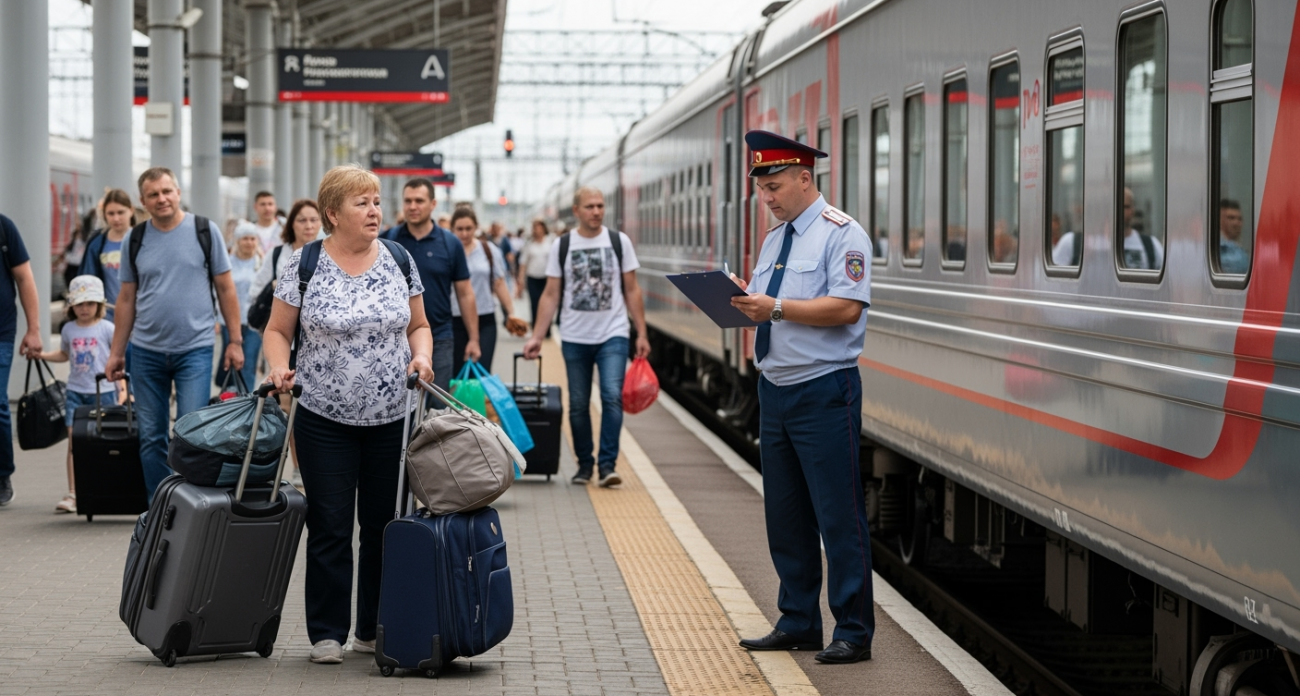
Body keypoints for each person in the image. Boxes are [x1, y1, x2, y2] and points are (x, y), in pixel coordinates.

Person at [262, 165, 433, 665]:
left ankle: (373, 627)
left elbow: (420, 325)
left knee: (383, 524)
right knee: (330, 524)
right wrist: (279, 368)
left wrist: (420, 357)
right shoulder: (303, 263)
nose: (375, 210)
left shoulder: (400, 260)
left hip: (391, 416)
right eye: (362, 203)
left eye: (377, 201)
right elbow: (276, 329)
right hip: (322, 416)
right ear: (333, 213)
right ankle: (327, 633)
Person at [727, 130, 874, 665]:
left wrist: (777, 309)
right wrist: (747, 303)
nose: (767, 197)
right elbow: (774, 303)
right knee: (785, 515)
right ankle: (798, 621)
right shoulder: (774, 238)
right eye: (762, 188)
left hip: (823, 389)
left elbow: (846, 308)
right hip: (776, 390)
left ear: (805, 178)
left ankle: (853, 630)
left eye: (775, 185)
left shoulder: (843, 234)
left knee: (838, 514)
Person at [104, 167, 245, 502]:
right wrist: (116, 352)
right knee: (151, 435)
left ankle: (189, 505)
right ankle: (160, 505)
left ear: (178, 192)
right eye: (153, 194)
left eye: (167, 191)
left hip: (194, 350)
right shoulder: (134, 239)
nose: (161, 199)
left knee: (190, 434)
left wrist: (234, 341)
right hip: (146, 352)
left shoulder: (203, 231)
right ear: (143, 201)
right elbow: (126, 298)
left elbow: (226, 288)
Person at [523, 187, 650, 488]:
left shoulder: (619, 242)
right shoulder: (563, 246)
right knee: (579, 403)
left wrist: (641, 332)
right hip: (575, 336)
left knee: (611, 396)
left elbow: (631, 290)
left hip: (614, 334)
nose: (596, 211)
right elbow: (551, 293)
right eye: (590, 206)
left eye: (600, 206)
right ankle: (584, 465)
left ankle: (607, 465)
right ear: (577, 210)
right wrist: (537, 336)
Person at [250, 199, 323, 486]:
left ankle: (313, 462)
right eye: (302, 220)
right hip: (286, 343)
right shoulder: (279, 254)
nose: (308, 226)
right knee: (291, 407)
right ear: (291, 224)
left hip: (314, 344)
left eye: (313, 220)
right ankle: (297, 465)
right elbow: (256, 293)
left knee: (311, 409)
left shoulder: (327, 253)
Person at [386, 178, 479, 397]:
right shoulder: (388, 242)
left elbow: (465, 294)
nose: (412, 206)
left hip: (440, 336)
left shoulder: (450, 243)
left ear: (433, 204)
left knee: (438, 405)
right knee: (402, 403)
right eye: (408, 201)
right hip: (397, 337)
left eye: (419, 200)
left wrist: (473, 338)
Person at [38, 276, 116, 514]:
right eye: (80, 304)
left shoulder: (108, 328)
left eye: (90, 303)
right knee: (75, 445)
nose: (84, 308)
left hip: (105, 394)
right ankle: (74, 493)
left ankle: (104, 489)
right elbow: (64, 355)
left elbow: (118, 360)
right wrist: (41, 355)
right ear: (72, 306)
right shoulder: (68, 329)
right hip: (75, 394)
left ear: (99, 304)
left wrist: (124, 392)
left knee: (104, 444)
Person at [448, 207, 527, 377]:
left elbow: (499, 283)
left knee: (481, 371)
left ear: (476, 227)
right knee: (457, 373)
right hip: (455, 319)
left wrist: (510, 313)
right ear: (452, 229)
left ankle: (478, 404)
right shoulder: (447, 251)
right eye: (459, 229)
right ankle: (457, 404)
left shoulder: (489, 250)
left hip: (485, 318)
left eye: (468, 228)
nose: (464, 234)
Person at [0, 213, 45, 507]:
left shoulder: (4, 228)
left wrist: (34, 329)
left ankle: (2, 474)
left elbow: (24, 277)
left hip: (1, 331)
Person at [214, 224, 264, 390]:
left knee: (248, 362)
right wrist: (215, 318)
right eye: (245, 238)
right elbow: (218, 291)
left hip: (253, 322)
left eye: (252, 238)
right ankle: (229, 399)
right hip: (229, 320)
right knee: (230, 360)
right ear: (237, 241)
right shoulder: (227, 262)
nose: (249, 242)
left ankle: (246, 403)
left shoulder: (262, 264)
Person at [80, 189, 136, 322]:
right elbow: (87, 277)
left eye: (120, 212)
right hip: (106, 316)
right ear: (104, 215)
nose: (116, 218)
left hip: (138, 316)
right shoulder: (97, 243)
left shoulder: (141, 240)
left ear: (131, 211)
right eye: (111, 213)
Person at [516, 218, 555, 336]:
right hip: (533, 278)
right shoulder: (529, 244)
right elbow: (523, 263)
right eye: (535, 228)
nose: (537, 230)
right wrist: (520, 279)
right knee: (535, 303)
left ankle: (547, 329)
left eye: (539, 227)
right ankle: (536, 328)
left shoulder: (550, 242)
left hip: (546, 278)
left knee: (547, 303)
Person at [1218, 199, 1249, 274]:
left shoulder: (1240, 250)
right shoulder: (1216, 249)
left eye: (1239, 219)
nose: (1236, 223)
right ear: (1219, 220)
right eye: (1231, 218)